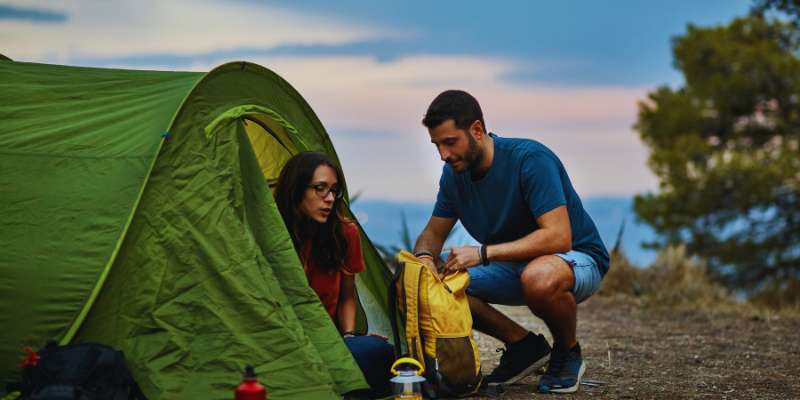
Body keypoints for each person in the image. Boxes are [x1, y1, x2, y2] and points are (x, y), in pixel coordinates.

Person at [413, 90, 610, 394]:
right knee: (441, 286)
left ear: (477, 130)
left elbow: (559, 236)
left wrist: (482, 253)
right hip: (513, 265)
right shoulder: (453, 175)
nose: (443, 155)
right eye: (437, 145)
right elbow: (432, 233)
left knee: (539, 278)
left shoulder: (529, 159)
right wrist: (424, 260)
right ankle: (524, 347)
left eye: (450, 142)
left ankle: (567, 351)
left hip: (576, 258)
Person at [274, 152, 393, 398]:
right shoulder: (273, 234)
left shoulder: (343, 233)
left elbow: (347, 297)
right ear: (296, 189)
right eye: (320, 189)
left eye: (334, 191)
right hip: (283, 345)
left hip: (327, 343)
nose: (329, 199)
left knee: (380, 352)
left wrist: (349, 337)